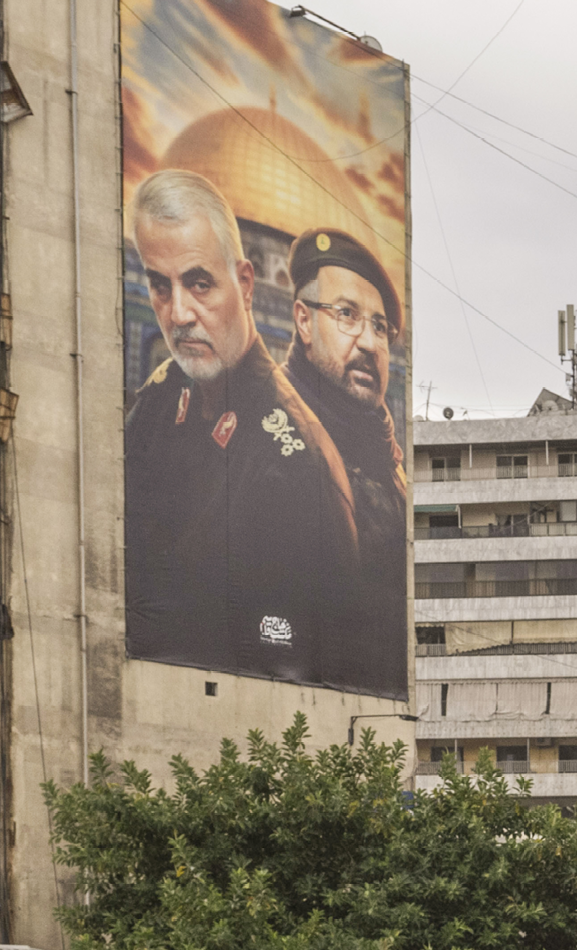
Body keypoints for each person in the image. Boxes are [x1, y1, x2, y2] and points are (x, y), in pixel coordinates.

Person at [122, 167, 359, 684]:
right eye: (160, 286)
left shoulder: (294, 463)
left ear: (246, 285)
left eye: (199, 283)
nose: (179, 314)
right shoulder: (160, 403)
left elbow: (302, 662)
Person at [285, 226, 409, 696]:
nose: (369, 343)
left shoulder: (389, 463)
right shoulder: (273, 435)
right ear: (303, 321)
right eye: (347, 315)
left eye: (380, 327)